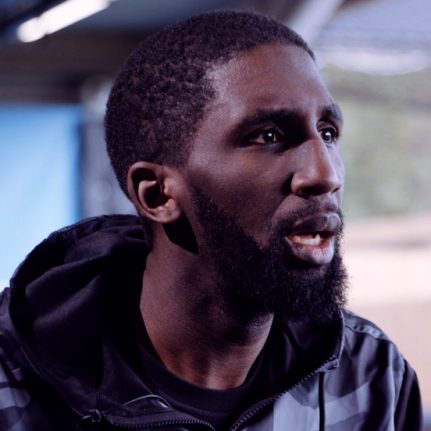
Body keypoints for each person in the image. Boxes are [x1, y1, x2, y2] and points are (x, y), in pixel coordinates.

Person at [0, 10, 423, 431]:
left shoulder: (372, 378)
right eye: (268, 136)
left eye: (328, 133)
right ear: (158, 194)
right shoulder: (13, 385)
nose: (325, 174)